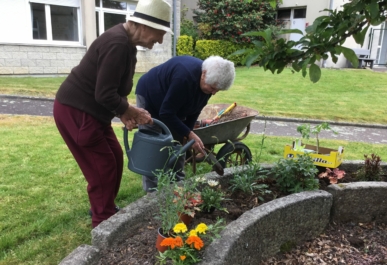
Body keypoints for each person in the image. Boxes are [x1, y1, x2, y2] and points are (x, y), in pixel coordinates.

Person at [53, 0, 173, 228]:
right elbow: (104, 94)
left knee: (115, 158)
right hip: (78, 112)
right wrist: (130, 110)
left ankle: (104, 208)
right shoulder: (117, 43)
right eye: (160, 33)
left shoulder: (126, 44)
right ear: (145, 26)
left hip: (94, 112)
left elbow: (113, 89)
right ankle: (103, 223)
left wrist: (124, 112)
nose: (160, 40)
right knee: (102, 167)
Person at [135, 55, 236, 192]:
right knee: (152, 146)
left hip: (172, 104)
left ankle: (178, 187)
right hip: (150, 97)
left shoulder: (208, 82)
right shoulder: (184, 77)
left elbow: (194, 111)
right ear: (203, 74)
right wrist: (189, 133)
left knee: (179, 145)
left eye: (217, 90)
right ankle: (151, 192)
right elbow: (166, 113)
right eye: (212, 88)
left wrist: (187, 135)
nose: (213, 93)